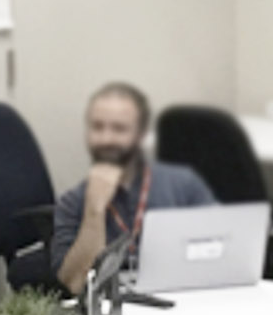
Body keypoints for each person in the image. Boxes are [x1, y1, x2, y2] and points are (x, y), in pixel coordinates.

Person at [50, 81, 216, 293]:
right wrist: (94, 210)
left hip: (181, 299)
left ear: (141, 134)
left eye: (119, 129)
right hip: (110, 313)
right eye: (97, 127)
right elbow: (76, 284)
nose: (106, 139)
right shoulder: (72, 201)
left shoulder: (184, 184)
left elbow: (220, 253)